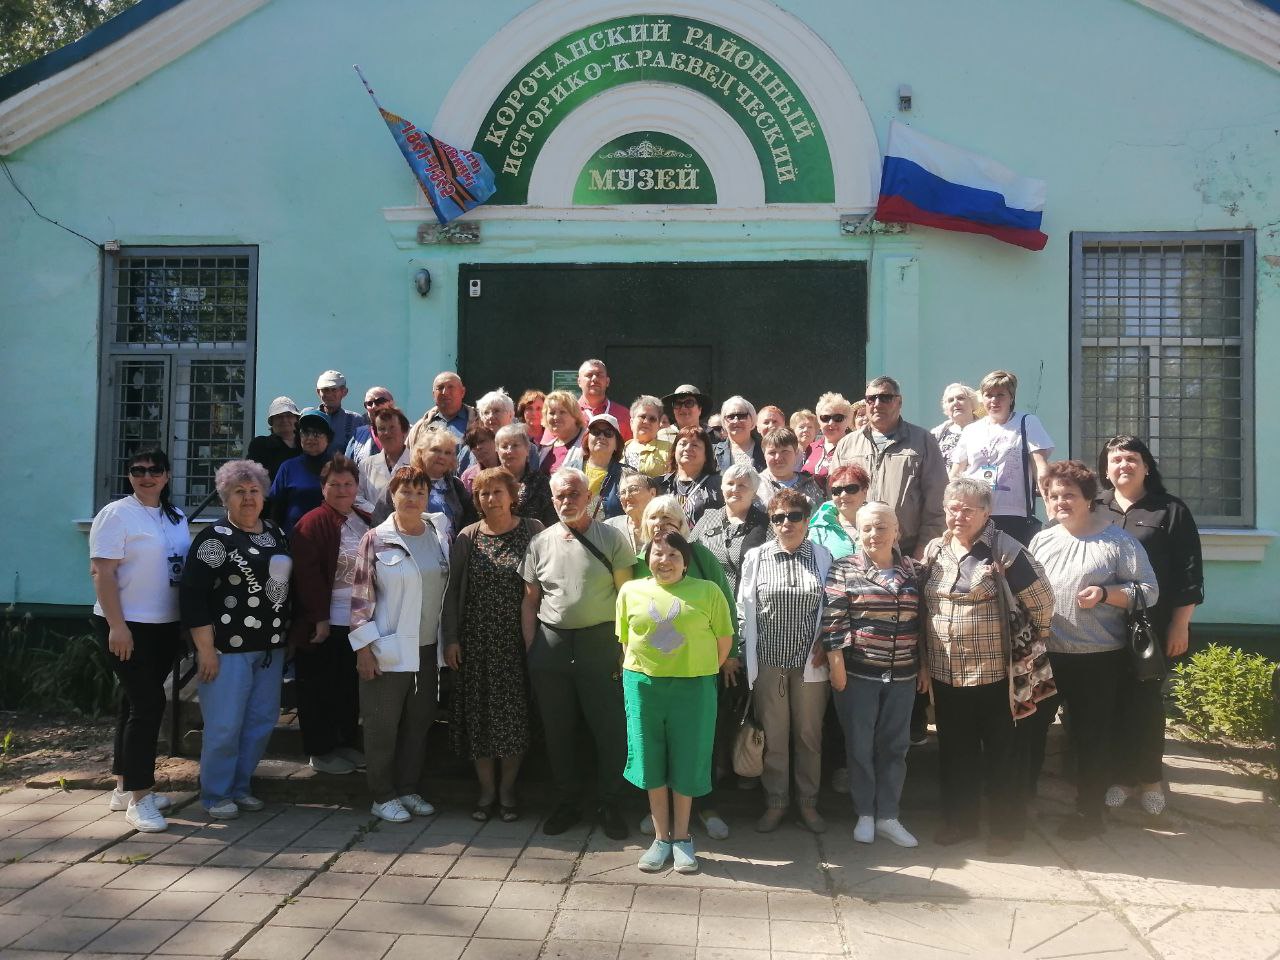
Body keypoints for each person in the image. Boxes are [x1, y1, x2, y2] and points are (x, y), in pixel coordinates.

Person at [921, 478, 1054, 853]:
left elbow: (1043, 601)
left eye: (967, 509)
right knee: (955, 750)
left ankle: (1006, 830)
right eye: (952, 508)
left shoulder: (1005, 551)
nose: (958, 515)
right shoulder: (935, 549)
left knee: (1002, 752)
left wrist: (1028, 646)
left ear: (986, 512)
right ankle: (959, 822)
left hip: (996, 675)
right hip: (947, 673)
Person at [1029, 461, 1158, 840]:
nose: (1060, 502)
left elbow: (1149, 591)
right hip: (1047, 655)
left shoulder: (1118, 542)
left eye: (1069, 494)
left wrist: (1106, 594)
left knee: (1090, 736)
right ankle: (1022, 801)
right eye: (1054, 496)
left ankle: (1089, 811)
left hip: (1099, 658)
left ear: (1088, 498)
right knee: (1032, 729)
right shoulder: (1043, 539)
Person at [520, 467, 636, 839]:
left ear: (589, 497)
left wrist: (623, 647)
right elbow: (529, 600)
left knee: (608, 728)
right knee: (557, 730)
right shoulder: (539, 543)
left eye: (574, 494)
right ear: (551, 500)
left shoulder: (612, 538)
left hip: (600, 643)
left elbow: (626, 597)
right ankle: (568, 801)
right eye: (560, 496)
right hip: (551, 645)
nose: (567, 501)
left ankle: (609, 802)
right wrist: (531, 645)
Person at [1097, 436, 1204, 816]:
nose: (1122, 465)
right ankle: (1120, 778)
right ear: (1105, 469)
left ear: (1146, 466)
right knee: (1110, 702)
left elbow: (1189, 573)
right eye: (1115, 459)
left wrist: (1180, 625)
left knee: (1144, 702)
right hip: (1100, 625)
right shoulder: (1096, 509)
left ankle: (1150, 779)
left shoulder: (1170, 511)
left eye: (1131, 459)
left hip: (1151, 626)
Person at [181, 459, 291, 819]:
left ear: (264, 495)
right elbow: (192, 596)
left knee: (260, 723)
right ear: (225, 497)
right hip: (226, 651)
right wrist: (205, 650)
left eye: (254, 491)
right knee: (225, 725)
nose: (248, 498)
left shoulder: (274, 532)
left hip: (269, 650)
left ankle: (240, 786)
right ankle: (215, 793)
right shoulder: (214, 540)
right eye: (239, 492)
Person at [618, 533, 733, 874]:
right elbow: (625, 641)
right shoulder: (631, 591)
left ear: (685, 560)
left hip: (694, 687)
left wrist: (694, 668)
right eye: (657, 553)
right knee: (650, 759)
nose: (664, 560)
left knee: (688, 759)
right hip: (643, 687)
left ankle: (682, 838)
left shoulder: (708, 591)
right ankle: (660, 838)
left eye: (672, 554)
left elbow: (724, 642)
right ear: (647, 558)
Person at [89, 449, 190, 832]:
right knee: (148, 704)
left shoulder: (175, 517)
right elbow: (101, 572)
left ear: (166, 476)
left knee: (132, 703)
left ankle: (123, 786)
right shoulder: (116, 514)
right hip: (126, 625)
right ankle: (141, 798)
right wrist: (117, 626)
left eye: (154, 470)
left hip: (164, 625)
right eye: (138, 470)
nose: (146, 476)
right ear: (129, 475)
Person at [634, 495, 740, 841]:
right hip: (653, 676)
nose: (661, 524)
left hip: (697, 671)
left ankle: (706, 808)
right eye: (654, 518)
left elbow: (725, 604)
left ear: (682, 524)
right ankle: (660, 816)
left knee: (698, 744)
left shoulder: (701, 557)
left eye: (669, 517)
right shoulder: (638, 562)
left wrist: (728, 657)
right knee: (658, 747)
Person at [822, 502, 926, 848]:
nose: (873, 534)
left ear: (896, 531)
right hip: (858, 674)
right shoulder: (844, 569)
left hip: (903, 675)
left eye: (881, 527)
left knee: (895, 746)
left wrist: (923, 665)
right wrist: (836, 663)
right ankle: (865, 813)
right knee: (860, 746)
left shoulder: (914, 571)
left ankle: (889, 816)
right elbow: (834, 618)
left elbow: (923, 622)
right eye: (866, 528)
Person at [349, 465, 449, 823]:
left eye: (420, 492)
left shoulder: (439, 534)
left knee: (418, 723)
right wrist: (363, 649)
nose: (413, 498)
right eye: (406, 491)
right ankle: (382, 794)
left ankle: (407, 788)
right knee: (381, 725)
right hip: (387, 649)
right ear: (392, 494)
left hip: (427, 649)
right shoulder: (376, 538)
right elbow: (360, 599)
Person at [443, 468, 544, 822]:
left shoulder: (533, 531)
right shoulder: (468, 537)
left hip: (517, 643)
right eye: (484, 494)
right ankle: (486, 792)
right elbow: (453, 591)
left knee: (513, 720)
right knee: (479, 720)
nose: (491, 499)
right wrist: (452, 639)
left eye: (498, 492)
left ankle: (507, 791)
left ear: (512, 494)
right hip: (476, 644)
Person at [738, 489, 833, 834]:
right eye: (778, 517)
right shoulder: (757, 558)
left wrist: (828, 639)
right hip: (769, 663)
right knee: (775, 737)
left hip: (811, 664)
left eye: (794, 516)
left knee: (809, 737)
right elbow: (742, 610)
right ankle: (776, 802)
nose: (786, 523)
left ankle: (808, 804)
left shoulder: (822, 557)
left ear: (807, 521)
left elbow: (835, 607)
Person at [288, 456, 370, 777]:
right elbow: (306, 576)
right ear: (323, 488)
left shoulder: (362, 517)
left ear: (357, 487)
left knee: (347, 688)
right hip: (325, 623)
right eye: (334, 484)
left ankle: (344, 742)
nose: (341, 490)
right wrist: (318, 617)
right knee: (319, 689)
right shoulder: (312, 523)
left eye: (348, 484)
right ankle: (320, 751)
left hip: (357, 620)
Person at [832, 376, 948, 560]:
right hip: (858, 549)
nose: (877, 404)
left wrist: (924, 548)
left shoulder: (923, 441)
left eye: (885, 397)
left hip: (908, 551)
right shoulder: (847, 445)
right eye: (871, 399)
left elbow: (938, 502)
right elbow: (836, 498)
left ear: (899, 402)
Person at [951, 370, 1054, 546]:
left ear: (1011, 398)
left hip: (1014, 512)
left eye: (1000, 395)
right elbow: (955, 474)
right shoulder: (971, 430)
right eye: (989, 395)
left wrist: (1051, 510)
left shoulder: (1027, 422)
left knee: (1012, 568)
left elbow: (1041, 469)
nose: (994, 400)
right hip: (976, 513)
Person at [377, 425, 476, 534]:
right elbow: (380, 520)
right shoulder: (402, 481)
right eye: (436, 450)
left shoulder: (456, 486)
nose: (442, 456)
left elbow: (469, 521)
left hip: (452, 549)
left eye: (447, 453)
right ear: (421, 452)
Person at [689, 463, 770, 594]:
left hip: (746, 604)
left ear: (754, 493)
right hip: (708, 598)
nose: (735, 489)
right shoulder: (708, 517)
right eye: (730, 483)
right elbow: (688, 551)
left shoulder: (766, 524)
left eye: (742, 485)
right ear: (722, 487)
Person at [269, 407, 333, 534]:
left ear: (328, 438)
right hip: (294, 540)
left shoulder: (339, 467)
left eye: (317, 433)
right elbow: (276, 509)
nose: (310, 438)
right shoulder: (288, 467)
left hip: (331, 540)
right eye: (305, 432)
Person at [660, 425, 724, 527]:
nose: (688, 448)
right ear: (674, 451)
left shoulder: (719, 485)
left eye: (695, 445)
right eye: (683, 444)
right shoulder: (660, 484)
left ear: (706, 455)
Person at [496, 423, 557, 526]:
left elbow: (552, 523)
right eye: (504, 446)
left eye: (515, 445)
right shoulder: (489, 481)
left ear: (527, 449)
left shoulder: (542, 483)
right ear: (497, 451)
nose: (509, 451)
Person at [807, 463, 871, 560]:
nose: (843, 495)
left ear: (865, 491)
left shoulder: (881, 523)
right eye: (837, 491)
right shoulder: (819, 528)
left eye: (851, 489)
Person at [357, 405, 411, 514]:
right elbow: (357, 497)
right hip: (373, 525)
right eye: (381, 429)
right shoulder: (365, 465)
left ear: (404, 431)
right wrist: (378, 513)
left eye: (392, 427)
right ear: (376, 434)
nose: (387, 433)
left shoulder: (417, 463)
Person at [756, 427, 825, 509]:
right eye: (772, 452)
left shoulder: (810, 485)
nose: (778, 457)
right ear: (764, 455)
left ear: (796, 453)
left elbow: (820, 518)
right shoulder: (755, 485)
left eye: (785, 451)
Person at [408, 371, 478, 447]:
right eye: (440, 388)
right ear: (433, 394)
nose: (445, 392)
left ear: (462, 392)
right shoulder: (420, 428)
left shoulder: (479, 423)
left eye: (451, 387)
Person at [581, 413, 629, 519]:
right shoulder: (570, 470)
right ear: (587, 439)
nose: (601, 437)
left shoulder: (628, 475)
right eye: (595, 432)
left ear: (617, 444)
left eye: (608, 433)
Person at [803, 393, 854, 493]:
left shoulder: (854, 448)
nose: (831, 423)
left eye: (838, 418)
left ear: (847, 421)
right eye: (825, 418)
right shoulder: (810, 448)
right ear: (819, 421)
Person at [458, 390, 515, 475]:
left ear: (510, 415)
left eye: (496, 411)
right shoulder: (468, 450)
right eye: (486, 412)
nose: (491, 416)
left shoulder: (525, 446)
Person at [246, 396, 301, 482]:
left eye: (289, 415)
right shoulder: (261, 445)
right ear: (272, 421)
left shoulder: (306, 445)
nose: (284, 420)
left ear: (296, 419)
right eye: (279, 417)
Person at [577, 359, 633, 441]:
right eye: (589, 375)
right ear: (579, 382)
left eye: (599, 375)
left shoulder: (624, 414)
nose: (594, 379)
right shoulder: (569, 413)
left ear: (607, 382)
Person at [315, 370, 366, 457]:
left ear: (344, 392)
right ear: (318, 392)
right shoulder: (308, 418)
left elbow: (362, 454)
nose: (330, 394)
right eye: (325, 390)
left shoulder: (356, 420)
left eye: (334, 390)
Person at [930, 383, 981, 468]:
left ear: (972, 403)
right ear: (946, 408)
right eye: (950, 400)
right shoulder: (937, 434)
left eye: (961, 398)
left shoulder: (985, 430)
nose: (956, 403)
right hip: (942, 481)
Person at [538, 389, 587, 476]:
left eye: (562, 412)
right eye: (552, 413)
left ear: (575, 415)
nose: (556, 417)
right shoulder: (545, 449)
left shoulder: (587, 444)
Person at [607, 472, 659, 552]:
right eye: (622, 493)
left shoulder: (666, 526)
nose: (627, 496)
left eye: (633, 489)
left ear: (652, 493)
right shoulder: (609, 527)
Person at [623, 395, 672, 478]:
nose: (646, 421)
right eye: (642, 417)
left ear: (658, 425)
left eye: (652, 419)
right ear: (631, 422)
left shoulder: (670, 449)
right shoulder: (620, 450)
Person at [713, 396, 767, 473]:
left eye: (742, 416)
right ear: (724, 422)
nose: (736, 421)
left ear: (752, 420)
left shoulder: (766, 449)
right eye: (730, 417)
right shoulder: (714, 452)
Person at [346, 387, 395, 464]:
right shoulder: (358, 435)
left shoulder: (407, 432)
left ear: (391, 404)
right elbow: (348, 467)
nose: (374, 406)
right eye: (369, 403)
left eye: (380, 401)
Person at [459, 426, 499, 494]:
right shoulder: (467, 476)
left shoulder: (510, 468)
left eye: (482, 441)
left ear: (494, 440)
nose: (478, 447)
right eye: (473, 445)